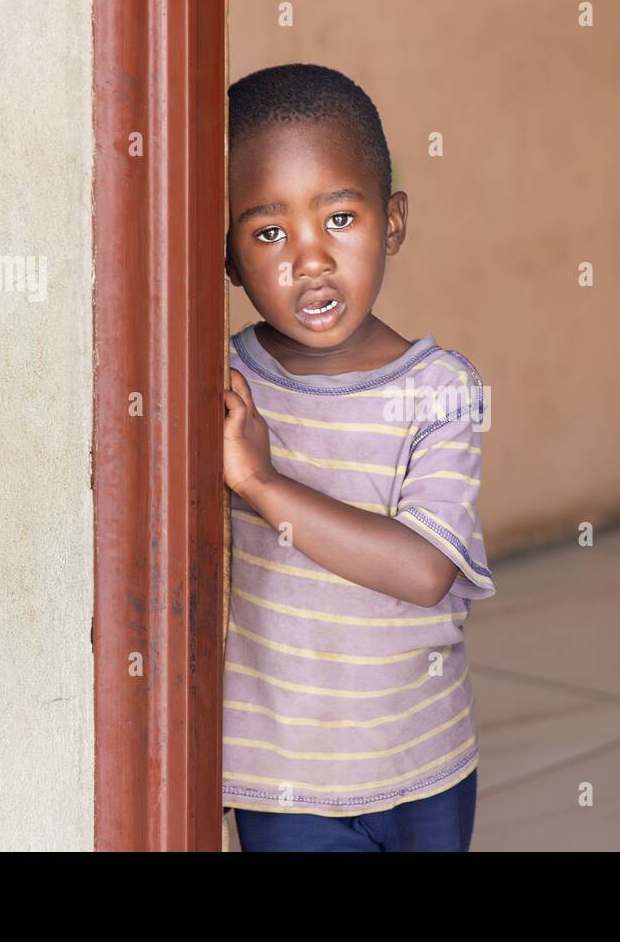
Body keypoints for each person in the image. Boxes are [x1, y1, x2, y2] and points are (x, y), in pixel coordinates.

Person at [220, 63, 495, 851]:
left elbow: (422, 570)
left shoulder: (442, 391)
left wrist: (263, 484)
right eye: (269, 232)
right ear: (229, 260)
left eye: (339, 218)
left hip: (427, 765)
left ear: (393, 222)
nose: (310, 259)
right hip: (283, 780)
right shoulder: (224, 391)